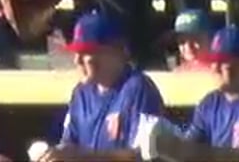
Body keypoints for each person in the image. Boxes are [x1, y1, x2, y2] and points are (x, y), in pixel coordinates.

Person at [146, 26, 239, 162]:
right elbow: (189, 148)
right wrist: (171, 149)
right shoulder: (210, 103)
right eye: (212, 61)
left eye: (223, 61)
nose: (215, 68)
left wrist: (178, 149)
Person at [48, 12, 166, 160]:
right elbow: (68, 145)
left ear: (116, 51)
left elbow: (143, 155)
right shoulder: (81, 93)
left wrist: (83, 156)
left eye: (86, 52)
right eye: (76, 53)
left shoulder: (139, 88)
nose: (77, 60)